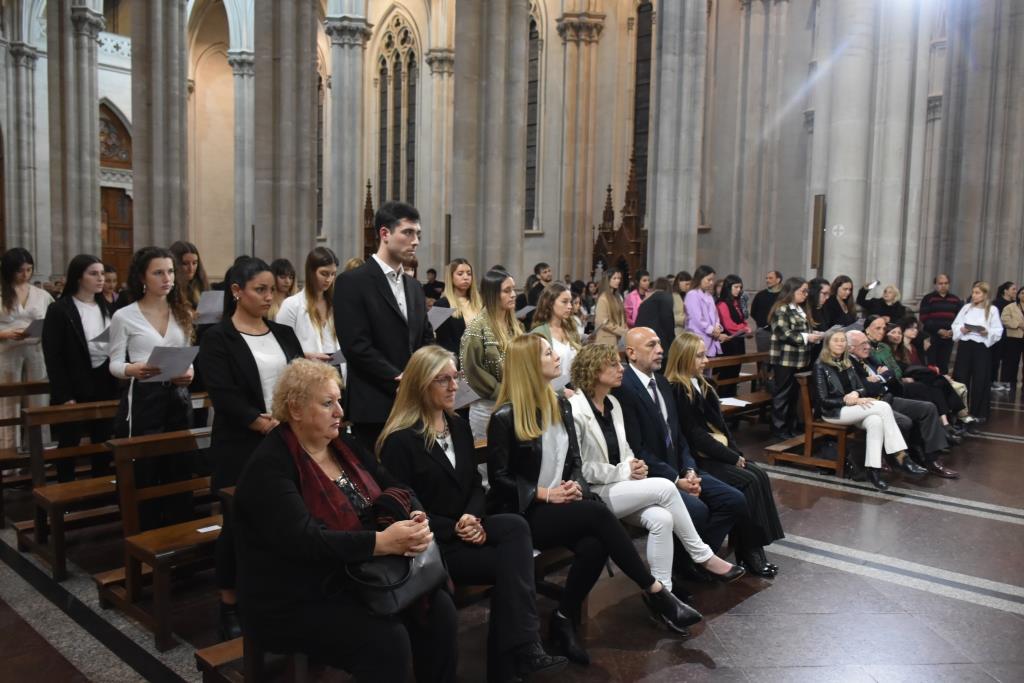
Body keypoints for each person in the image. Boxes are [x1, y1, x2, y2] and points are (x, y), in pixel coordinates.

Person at [233, 359, 456, 682]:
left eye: (338, 400)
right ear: (295, 409)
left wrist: (411, 514)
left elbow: (396, 486)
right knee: (385, 640)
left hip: (357, 573)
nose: (339, 411)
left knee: (439, 610)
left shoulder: (342, 445)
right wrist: (381, 542)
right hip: (297, 594)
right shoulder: (270, 466)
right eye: (327, 403)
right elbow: (306, 539)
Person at [488, 335, 702, 665]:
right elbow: (499, 481)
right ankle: (657, 593)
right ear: (530, 365)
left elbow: (574, 460)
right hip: (525, 512)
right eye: (548, 353)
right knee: (600, 516)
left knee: (595, 545)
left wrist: (572, 486)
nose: (557, 356)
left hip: (561, 504)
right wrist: (546, 493)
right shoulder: (505, 416)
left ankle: (563, 619)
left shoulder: (558, 404)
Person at [378, 346, 567, 681]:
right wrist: (456, 527)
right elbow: (403, 507)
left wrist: (473, 517)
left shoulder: (458, 426)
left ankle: (520, 650)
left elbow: (476, 489)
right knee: (514, 569)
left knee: (513, 526)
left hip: (467, 529)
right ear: (422, 385)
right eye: (444, 380)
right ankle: (513, 660)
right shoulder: (400, 440)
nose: (454, 386)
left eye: (456, 377)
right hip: (436, 547)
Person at [569, 343, 742, 596]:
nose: (621, 369)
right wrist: (624, 471)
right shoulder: (576, 411)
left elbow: (626, 448)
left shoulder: (613, 404)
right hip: (595, 493)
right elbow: (581, 468)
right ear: (595, 371)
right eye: (614, 365)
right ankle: (702, 554)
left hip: (621, 485)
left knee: (662, 519)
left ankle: (664, 595)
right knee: (663, 487)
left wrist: (634, 465)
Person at [197, 256, 304, 640]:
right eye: (260, 290)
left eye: (272, 290)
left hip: (287, 441)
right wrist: (264, 423)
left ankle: (275, 593)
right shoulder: (217, 338)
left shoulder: (283, 333)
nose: (268, 297)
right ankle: (229, 603)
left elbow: (299, 378)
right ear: (237, 292)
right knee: (237, 526)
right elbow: (223, 395)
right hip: (240, 445)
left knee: (287, 519)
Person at [613, 327, 750, 575]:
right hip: (652, 475)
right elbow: (637, 448)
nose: (660, 351)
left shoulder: (663, 383)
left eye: (660, 345)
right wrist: (675, 479)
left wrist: (688, 469)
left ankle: (692, 562)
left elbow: (679, 435)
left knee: (734, 500)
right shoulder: (624, 389)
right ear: (631, 353)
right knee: (698, 510)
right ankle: (687, 566)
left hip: (680, 469)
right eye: (651, 345)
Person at [665, 333, 783, 576]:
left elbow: (720, 425)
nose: (706, 360)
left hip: (715, 451)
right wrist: (731, 457)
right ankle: (749, 553)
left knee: (759, 474)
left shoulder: (701, 383)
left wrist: (736, 453)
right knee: (748, 482)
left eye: (704, 354)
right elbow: (694, 434)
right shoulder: (678, 388)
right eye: (699, 356)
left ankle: (754, 547)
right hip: (699, 458)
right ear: (684, 357)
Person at [107, 247, 196, 529]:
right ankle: (144, 533)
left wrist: (190, 372)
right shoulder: (125, 315)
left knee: (178, 466)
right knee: (145, 468)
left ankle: (179, 531)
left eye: (170, 272)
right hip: (144, 399)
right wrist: (132, 369)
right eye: (158, 272)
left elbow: (186, 355)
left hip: (178, 397)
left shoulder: (182, 312)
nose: (167, 278)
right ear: (142, 277)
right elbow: (114, 364)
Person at [335, 203, 433, 449]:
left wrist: (431, 369)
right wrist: (397, 378)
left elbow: (425, 338)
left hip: (415, 402)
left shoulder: (414, 287)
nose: (415, 241)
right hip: (375, 403)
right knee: (379, 483)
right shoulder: (352, 282)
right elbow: (356, 345)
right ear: (385, 234)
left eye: (418, 234)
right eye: (408, 232)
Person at [41, 254, 118, 482]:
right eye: (93, 273)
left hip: (103, 380)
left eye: (102, 273)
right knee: (69, 441)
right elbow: (53, 355)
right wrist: (64, 394)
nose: (100, 278)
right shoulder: (60, 309)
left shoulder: (108, 308)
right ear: (78, 277)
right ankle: (65, 487)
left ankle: (101, 484)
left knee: (102, 438)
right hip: (74, 384)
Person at [846, 331, 957, 479]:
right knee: (905, 421)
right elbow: (866, 388)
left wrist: (879, 378)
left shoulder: (869, 358)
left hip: (888, 398)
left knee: (928, 408)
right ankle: (900, 459)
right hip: (872, 405)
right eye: (863, 344)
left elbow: (891, 373)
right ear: (850, 348)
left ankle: (932, 460)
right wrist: (882, 378)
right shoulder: (849, 363)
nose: (868, 347)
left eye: (867, 342)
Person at [813, 330, 910, 491]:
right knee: (884, 407)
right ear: (828, 344)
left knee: (876, 422)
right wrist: (851, 400)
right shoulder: (820, 366)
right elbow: (823, 400)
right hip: (833, 412)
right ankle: (900, 456)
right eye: (835, 340)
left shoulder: (847, 363)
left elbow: (861, 387)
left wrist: (856, 393)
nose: (839, 344)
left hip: (852, 408)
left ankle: (874, 472)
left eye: (842, 341)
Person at [865, 316, 964, 428]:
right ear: (867, 330)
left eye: (899, 333)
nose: (897, 335)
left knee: (935, 384)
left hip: (901, 379)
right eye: (893, 332)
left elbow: (896, 370)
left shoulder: (885, 347)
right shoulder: (872, 348)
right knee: (932, 384)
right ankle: (949, 421)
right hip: (892, 385)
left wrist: (894, 373)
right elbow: (890, 371)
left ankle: (947, 423)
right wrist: (894, 374)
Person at [460, 269, 523, 441]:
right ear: (492, 294)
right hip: (487, 407)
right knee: (488, 464)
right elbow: (472, 372)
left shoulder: (515, 325)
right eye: (507, 291)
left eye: (514, 290)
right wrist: (502, 392)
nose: (513, 295)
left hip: (515, 403)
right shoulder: (476, 330)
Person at [0, 248, 54, 450]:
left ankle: (40, 452)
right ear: (8, 270)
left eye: (29, 269)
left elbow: (53, 323)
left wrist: (40, 330)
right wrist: (4, 334)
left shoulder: (42, 295)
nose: (25, 275)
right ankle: (8, 455)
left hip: (35, 350)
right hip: (5, 352)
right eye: (20, 271)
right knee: (7, 404)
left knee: (38, 402)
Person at [768, 277, 822, 440]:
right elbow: (783, 333)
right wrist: (807, 337)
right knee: (782, 395)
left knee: (793, 395)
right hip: (785, 359)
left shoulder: (799, 309)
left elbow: (802, 330)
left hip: (799, 359)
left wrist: (815, 335)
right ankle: (779, 429)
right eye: (803, 291)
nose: (806, 294)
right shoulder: (782, 309)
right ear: (791, 291)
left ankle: (790, 427)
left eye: (807, 291)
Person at [276, 247, 340, 363]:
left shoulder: (337, 304)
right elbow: (282, 347)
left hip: (338, 371)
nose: (329, 279)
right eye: (324, 274)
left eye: (333, 274)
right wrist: (305, 356)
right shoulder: (291, 305)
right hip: (307, 372)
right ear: (311, 272)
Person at [952, 282, 1004, 422]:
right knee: (961, 377)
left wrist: (986, 332)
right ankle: (960, 410)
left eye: (978, 293)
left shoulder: (992, 310)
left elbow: (998, 330)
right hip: (965, 346)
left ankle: (979, 412)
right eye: (973, 292)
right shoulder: (966, 308)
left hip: (981, 347)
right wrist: (961, 330)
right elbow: (956, 324)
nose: (974, 295)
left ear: (985, 294)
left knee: (981, 379)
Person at [530, 282, 581, 393]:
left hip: (574, 391)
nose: (570, 306)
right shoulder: (539, 334)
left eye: (570, 302)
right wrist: (560, 392)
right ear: (549, 303)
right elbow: (535, 375)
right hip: (551, 394)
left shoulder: (571, 328)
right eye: (564, 302)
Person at [434, 258, 482, 360]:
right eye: (460, 274)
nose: (466, 277)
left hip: (479, 359)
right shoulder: (442, 304)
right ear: (451, 277)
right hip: (454, 360)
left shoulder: (479, 303)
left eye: (469, 274)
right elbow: (439, 340)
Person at [715, 275, 751, 397]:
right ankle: (724, 403)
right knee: (727, 376)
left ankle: (732, 403)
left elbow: (742, 319)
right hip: (728, 345)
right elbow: (729, 325)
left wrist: (747, 327)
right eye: (735, 287)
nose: (738, 290)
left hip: (738, 343)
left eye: (740, 287)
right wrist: (744, 328)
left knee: (735, 375)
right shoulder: (722, 304)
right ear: (728, 287)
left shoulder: (736, 302)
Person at [918, 274, 962, 374]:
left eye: (946, 283)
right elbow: (924, 317)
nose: (943, 286)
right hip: (932, 336)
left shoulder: (955, 299)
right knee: (931, 364)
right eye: (940, 283)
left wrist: (951, 331)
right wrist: (938, 330)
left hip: (948, 337)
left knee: (944, 364)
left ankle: (943, 386)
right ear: (935, 285)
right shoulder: (928, 298)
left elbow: (960, 318)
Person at [685, 265, 724, 360]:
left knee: (708, 371)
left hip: (711, 338)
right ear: (700, 278)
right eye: (708, 280)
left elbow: (715, 315)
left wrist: (717, 326)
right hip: (698, 336)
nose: (711, 283)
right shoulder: (692, 294)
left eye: (712, 280)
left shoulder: (709, 295)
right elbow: (697, 318)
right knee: (697, 369)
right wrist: (712, 330)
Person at [636, 277, 677, 357]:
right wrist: (673, 342)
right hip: (660, 343)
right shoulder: (665, 297)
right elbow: (667, 321)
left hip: (644, 340)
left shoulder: (647, 299)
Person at [169, 240, 209, 311]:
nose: (191, 268)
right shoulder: (169, 289)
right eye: (185, 263)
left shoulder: (201, 284)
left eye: (194, 263)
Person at [991, 281, 1017, 390]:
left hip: (1011, 337)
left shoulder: (1015, 304)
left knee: (1009, 361)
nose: (1015, 291)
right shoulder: (996, 303)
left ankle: (1006, 382)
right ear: (1005, 291)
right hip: (998, 336)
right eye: (1013, 289)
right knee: (995, 360)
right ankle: (992, 382)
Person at [593, 269, 627, 347]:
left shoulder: (617, 297)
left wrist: (624, 327)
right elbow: (603, 322)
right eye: (614, 278)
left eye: (619, 278)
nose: (617, 281)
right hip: (606, 339)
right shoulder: (603, 299)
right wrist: (622, 331)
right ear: (607, 280)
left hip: (618, 338)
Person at [750, 271, 782, 353]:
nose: (767, 280)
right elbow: (753, 312)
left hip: (781, 332)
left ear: (778, 280)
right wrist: (762, 323)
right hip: (763, 332)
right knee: (762, 359)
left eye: (770, 278)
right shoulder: (760, 295)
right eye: (766, 278)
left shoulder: (784, 295)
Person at [1000, 286, 1024, 393]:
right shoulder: (1010, 307)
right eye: (1022, 293)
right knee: (1011, 363)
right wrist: (1018, 324)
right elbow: (1004, 320)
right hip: (1013, 338)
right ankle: (1007, 384)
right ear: (1018, 295)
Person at [673, 270, 692, 340]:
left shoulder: (689, 295)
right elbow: (669, 315)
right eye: (686, 284)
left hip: (688, 331)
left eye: (690, 284)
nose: (688, 286)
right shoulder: (672, 296)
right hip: (676, 331)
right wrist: (684, 319)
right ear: (678, 282)